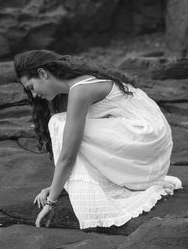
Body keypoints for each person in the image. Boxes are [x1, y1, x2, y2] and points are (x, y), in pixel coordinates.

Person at [14, 50, 182, 229]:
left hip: (146, 139)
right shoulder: (76, 85)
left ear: (42, 73)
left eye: (31, 87)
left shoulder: (81, 90)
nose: (33, 95)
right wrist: (59, 185)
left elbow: (69, 155)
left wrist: (51, 202)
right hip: (149, 149)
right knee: (65, 125)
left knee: (59, 124)